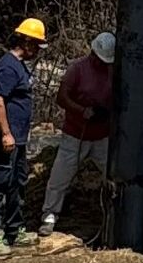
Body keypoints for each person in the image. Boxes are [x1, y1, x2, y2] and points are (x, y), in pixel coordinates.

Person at [37, 31, 114, 237]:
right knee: (60, 176)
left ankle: (114, 212)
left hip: (102, 136)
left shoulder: (112, 71)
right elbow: (61, 97)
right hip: (75, 134)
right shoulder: (77, 69)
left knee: (113, 174)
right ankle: (49, 215)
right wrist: (82, 110)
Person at [0, 18, 46, 256]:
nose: (38, 50)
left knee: (16, 183)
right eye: (37, 45)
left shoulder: (19, 66)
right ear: (26, 42)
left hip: (18, 138)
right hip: (4, 139)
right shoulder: (7, 67)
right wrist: (6, 133)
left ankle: (14, 229)